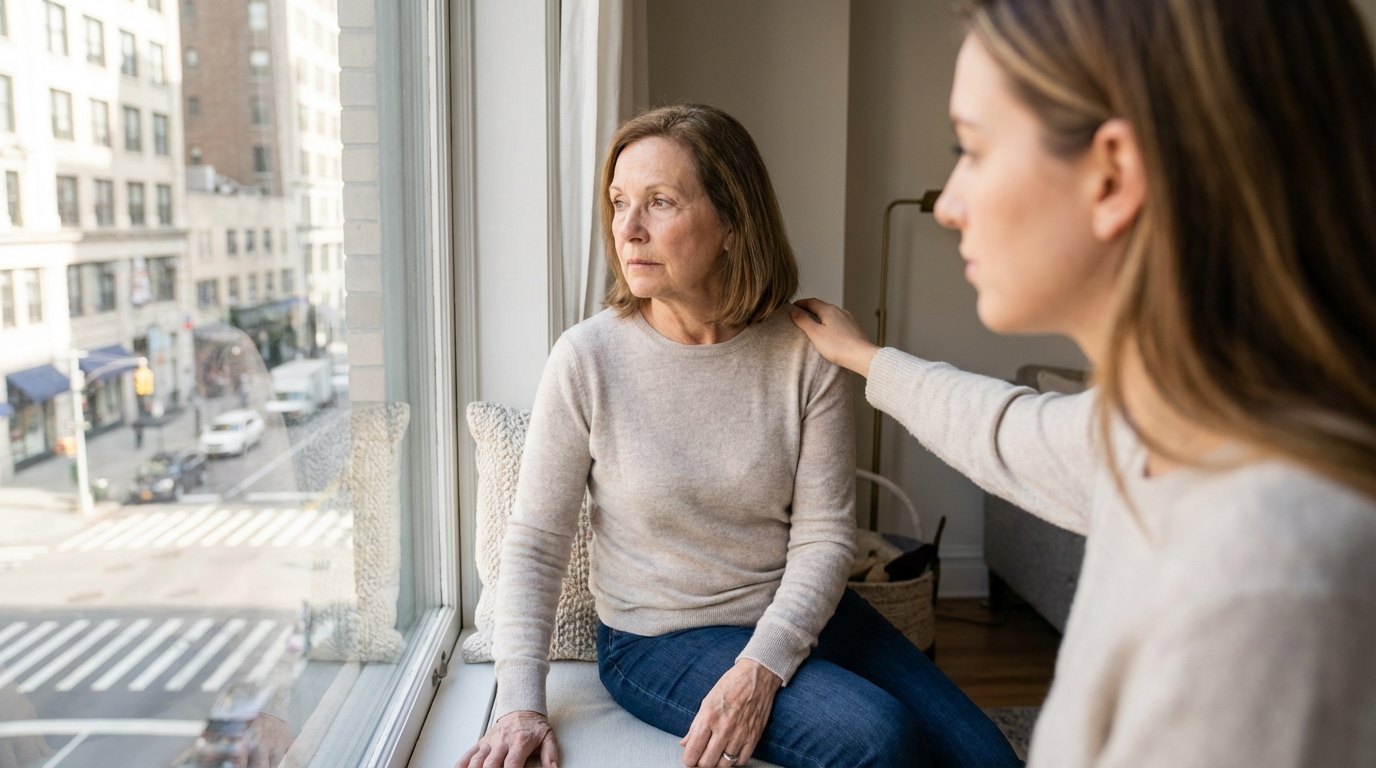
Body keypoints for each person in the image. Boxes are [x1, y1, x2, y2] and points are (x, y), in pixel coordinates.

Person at [792, 1, 1376, 766]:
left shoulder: (1258, 585)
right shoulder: (1167, 429)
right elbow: (1007, 431)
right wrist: (865, 358)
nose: (951, 207)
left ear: (1113, 175)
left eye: (970, 149)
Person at [459, 105, 1020, 768]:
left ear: (731, 222)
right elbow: (534, 544)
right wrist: (519, 704)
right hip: (657, 639)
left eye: (660, 202)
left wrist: (762, 665)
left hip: (800, 610)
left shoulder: (808, 351)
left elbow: (824, 540)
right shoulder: (587, 357)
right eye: (618, 202)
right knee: (877, 736)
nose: (627, 230)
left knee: (986, 755)